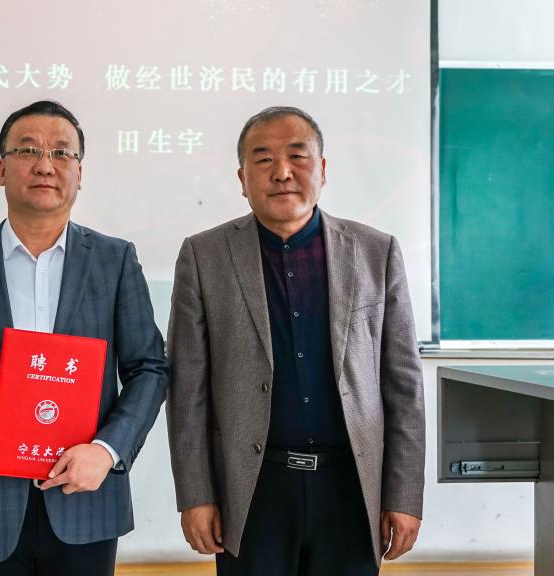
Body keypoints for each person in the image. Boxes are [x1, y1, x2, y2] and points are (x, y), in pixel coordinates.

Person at [166, 106, 425, 575]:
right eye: (263, 159)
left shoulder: (376, 251)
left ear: (322, 169)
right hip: (252, 490)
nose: (282, 172)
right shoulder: (204, 256)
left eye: (297, 156)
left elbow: (403, 385)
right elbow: (188, 390)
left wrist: (404, 495)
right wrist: (196, 494)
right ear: (242, 178)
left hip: (351, 486)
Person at [0, 100, 168, 576]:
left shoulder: (114, 261)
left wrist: (107, 450)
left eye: (61, 152)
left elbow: (149, 369)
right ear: (1, 169)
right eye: (28, 150)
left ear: (79, 172)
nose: (45, 165)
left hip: (86, 499)